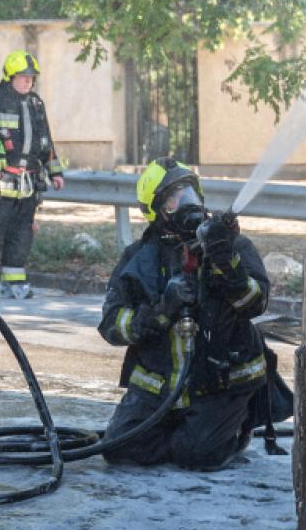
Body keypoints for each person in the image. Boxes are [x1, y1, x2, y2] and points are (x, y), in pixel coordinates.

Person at [96, 158, 275, 470]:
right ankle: (184, 430)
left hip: (220, 383)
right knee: (120, 450)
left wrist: (226, 262)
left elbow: (254, 304)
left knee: (198, 456)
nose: (186, 205)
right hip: (160, 386)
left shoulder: (232, 246)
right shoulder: (138, 260)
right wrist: (161, 311)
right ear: (155, 211)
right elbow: (112, 325)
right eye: (173, 199)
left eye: (190, 194)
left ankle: (236, 426)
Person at [0, 50, 66, 299]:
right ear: (10, 76)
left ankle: (14, 284)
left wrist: (56, 173)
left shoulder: (36, 103)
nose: (27, 81)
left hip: (27, 185)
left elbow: (46, 143)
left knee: (21, 237)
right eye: (22, 76)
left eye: (31, 77)